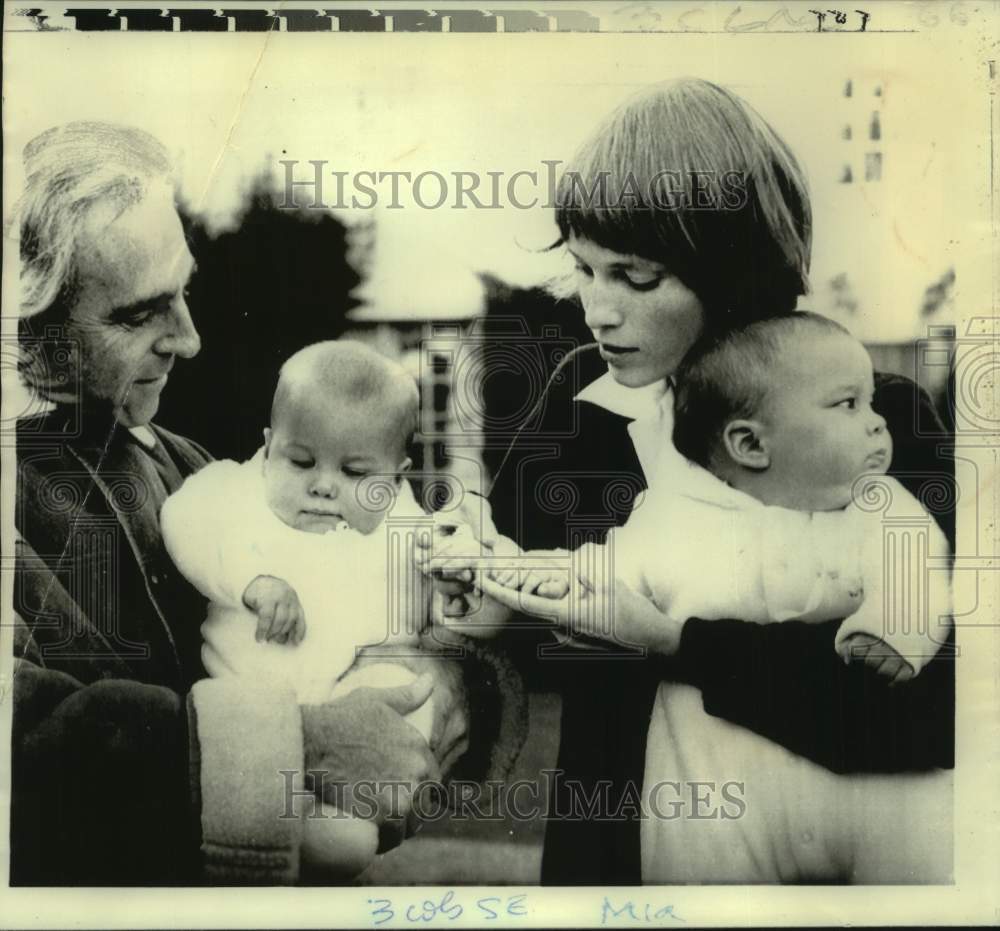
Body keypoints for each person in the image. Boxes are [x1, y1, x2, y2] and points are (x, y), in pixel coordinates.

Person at [425, 78, 955, 883]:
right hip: (613, 874)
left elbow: (930, 713)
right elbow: (528, 643)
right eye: (584, 272)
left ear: (737, 270)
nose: (598, 311)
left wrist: (682, 644)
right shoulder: (576, 416)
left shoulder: (881, 420)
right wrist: (481, 610)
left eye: (636, 278)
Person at [10, 121, 520, 885]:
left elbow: (413, 605)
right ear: (30, 329)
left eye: (182, 292)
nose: (189, 339)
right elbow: (28, 745)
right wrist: (300, 742)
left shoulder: (187, 464)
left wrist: (451, 680)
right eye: (137, 312)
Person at [462, 312, 953, 881]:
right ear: (748, 443)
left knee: (915, 851)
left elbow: (918, 572)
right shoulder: (678, 516)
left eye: (870, 403)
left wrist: (892, 631)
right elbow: (597, 571)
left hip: (857, 800)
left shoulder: (883, 507)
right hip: (715, 780)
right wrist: (515, 573)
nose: (877, 424)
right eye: (849, 405)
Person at [162, 340, 438, 876]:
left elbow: (438, 590)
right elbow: (182, 521)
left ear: (397, 477)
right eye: (301, 461)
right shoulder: (235, 492)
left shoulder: (404, 527)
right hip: (252, 716)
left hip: (353, 698)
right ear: (268, 447)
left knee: (403, 685)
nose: (323, 486)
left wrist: (453, 589)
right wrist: (251, 581)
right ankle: (293, 828)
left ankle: (350, 818)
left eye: (357, 474)